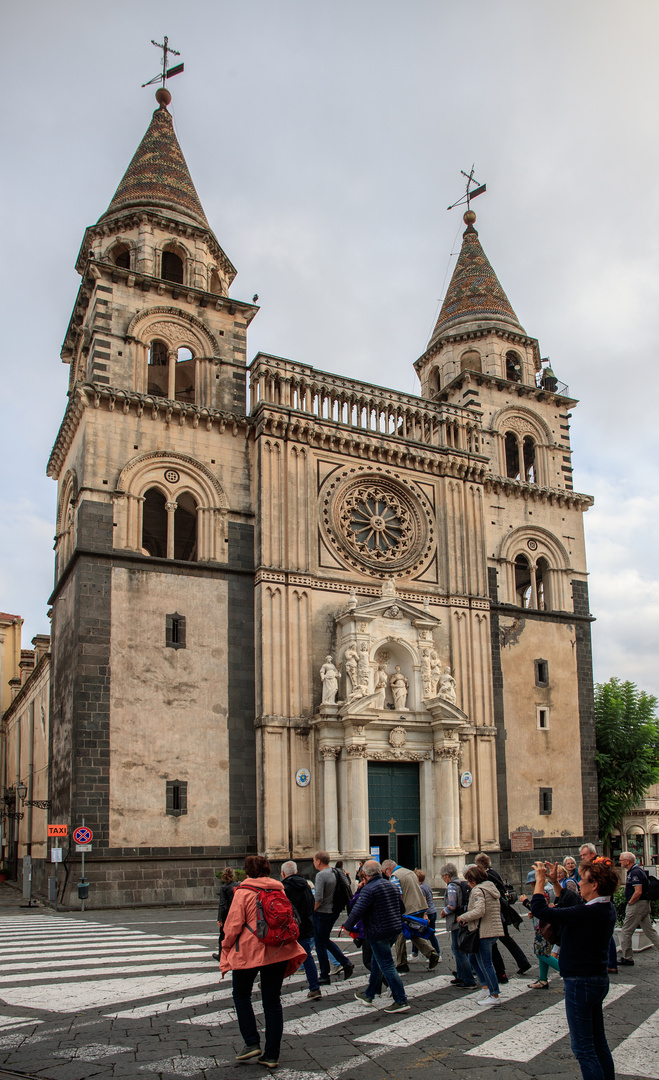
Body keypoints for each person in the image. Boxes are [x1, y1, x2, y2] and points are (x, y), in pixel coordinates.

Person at [531, 858, 618, 1080]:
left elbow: (541, 909)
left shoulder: (589, 912)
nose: (579, 884)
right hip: (596, 979)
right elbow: (571, 902)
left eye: (583, 881)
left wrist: (540, 881)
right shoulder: (605, 907)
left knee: (583, 1049)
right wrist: (556, 884)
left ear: (595, 885)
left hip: (581, 982)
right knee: (598, 1043)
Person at [220, 854, 307, 1069]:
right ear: (269, 870)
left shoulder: (243, 892)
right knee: (272, 1000)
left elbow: (232, 927)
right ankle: (272, 1055)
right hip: (277, 949)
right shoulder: (279, 889)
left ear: (248, 872)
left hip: (249, 950)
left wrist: (225, 948)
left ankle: (251, 1042)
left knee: (241, 995)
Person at [343, 859, 409, 1013]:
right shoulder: (391, 886)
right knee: (376, 962)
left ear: (365, 874)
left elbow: (357, 910)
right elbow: (402, 908)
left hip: (378, 932)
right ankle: (369, 994)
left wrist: (347, 927)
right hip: (393, 930)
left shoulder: (369, 889)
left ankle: (401, 999)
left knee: (386, 964)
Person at [475, 852, 531, 978]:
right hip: (502, 911)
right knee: (505, 938)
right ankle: (522, 962)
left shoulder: (487, 876)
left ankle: (502, 971)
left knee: (495, 941)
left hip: (496, 912)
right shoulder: (494, 873)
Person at [457, 863, 504, 1005]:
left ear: (473, 880)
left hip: (484, 931)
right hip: (491, 929)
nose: (468, 884)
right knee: (473, 959)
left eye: (469, 881)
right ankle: (485, 987)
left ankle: (494, 995)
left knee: (486, 963)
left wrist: (463, 917)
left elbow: (479, 911)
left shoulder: (478, 890)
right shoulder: (490, 887)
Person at [381, 859, 440, 972]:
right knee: (413, 933)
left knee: (399, 935)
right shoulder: (410, 872)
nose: (386, 875)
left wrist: (394, 912)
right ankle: (431, 953)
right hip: (419, 907)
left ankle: (401, 963)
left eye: (385, 872)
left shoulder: (395, 876)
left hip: (407, 910)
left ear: (388, 869)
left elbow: (398, 896)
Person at [527, 877, 581, 989]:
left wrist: (525, 902)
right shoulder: (551, 888)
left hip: (544, 924)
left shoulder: (544, 891)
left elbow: (539, 908)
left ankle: (569, 973)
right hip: (550, 923)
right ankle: (543, 979)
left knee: (541, 953)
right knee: (543, 952)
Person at [312, 850, 355, 984]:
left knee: (320, 942)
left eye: (314, 860)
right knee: (323, 940)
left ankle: (326, 974)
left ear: (318, 861)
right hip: (334, 911)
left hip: (323, 913)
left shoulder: (320, 875)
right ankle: (344, 963)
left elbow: (318, 898)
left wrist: (311, 910)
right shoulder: (336, 872)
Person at [281, 860, 321, 1000]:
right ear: (296, 872)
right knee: (307, 956)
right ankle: (315, 988)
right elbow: (311, 904)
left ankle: (271, 982)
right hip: (305, 926)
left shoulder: (283, 888)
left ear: (283, 873)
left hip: (289, 927)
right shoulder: (306, 885)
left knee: (279, 956)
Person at [618, 850, 659, 965]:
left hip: (637, 904)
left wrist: (630, 903)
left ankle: (627, 958)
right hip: (643, 904)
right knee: (650, 931)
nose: (620, 862)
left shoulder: (635, 873)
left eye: (621, 860)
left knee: (626, 931)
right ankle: (627, 957)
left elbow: (638, 892)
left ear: (627, 861)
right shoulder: (637, 870)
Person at [440, 862, 477, 989]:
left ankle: (468, 980)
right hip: (462, 921)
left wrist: (444, 912)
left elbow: (452, 905)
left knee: (458, 950)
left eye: (442, 877)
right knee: (460, 949)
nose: (443, 879)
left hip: (456, 922)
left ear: (446, 875)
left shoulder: (451, 886)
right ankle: (461, 976)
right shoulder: (461, 883)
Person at [212, 866, 237, 962]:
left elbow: (222, 904)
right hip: (237, 912)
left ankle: (221, 955)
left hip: (227, 913)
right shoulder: (238, 885)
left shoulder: (224, 888)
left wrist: (219, 918)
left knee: (223, 934)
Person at [413, 869, 441, 955]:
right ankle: (415, 953)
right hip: (432, 911)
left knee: (421, 933)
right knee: (426, 933)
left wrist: (424, 914)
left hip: (427, 913)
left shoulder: (421, 888)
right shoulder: (426, 886)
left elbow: (423, 902)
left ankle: (436, 952)